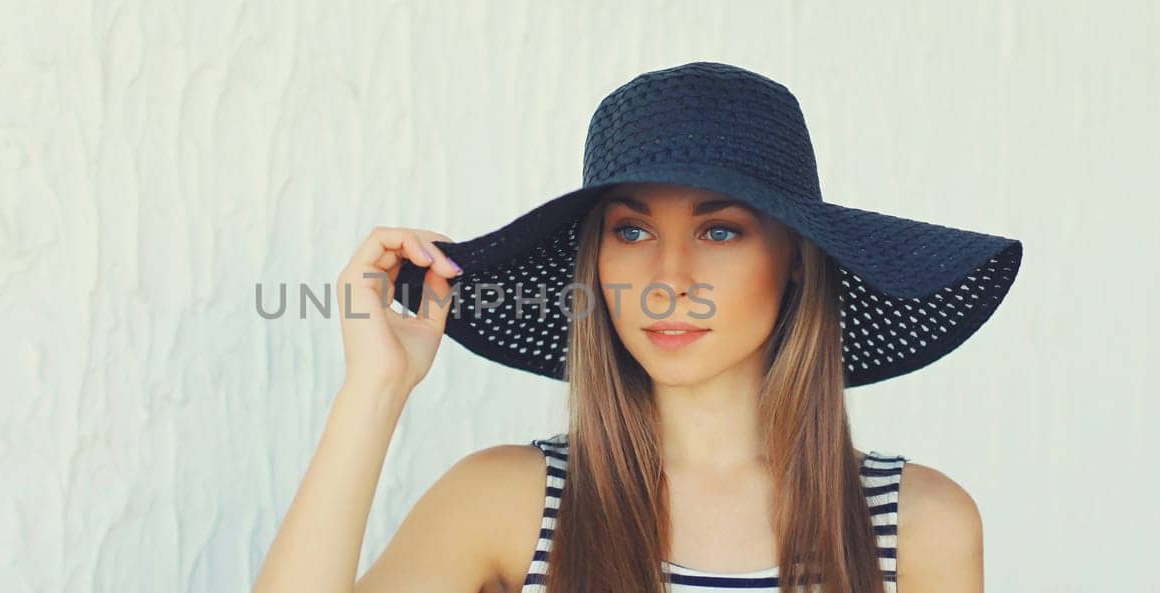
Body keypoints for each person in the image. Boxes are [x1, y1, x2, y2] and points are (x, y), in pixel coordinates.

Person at [253, 62, 1020, 593]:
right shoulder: (509, 503)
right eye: (631, 231)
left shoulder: (918, 526)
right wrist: (375, 387)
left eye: (720, 232)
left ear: (795, 259)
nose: (669, 278)